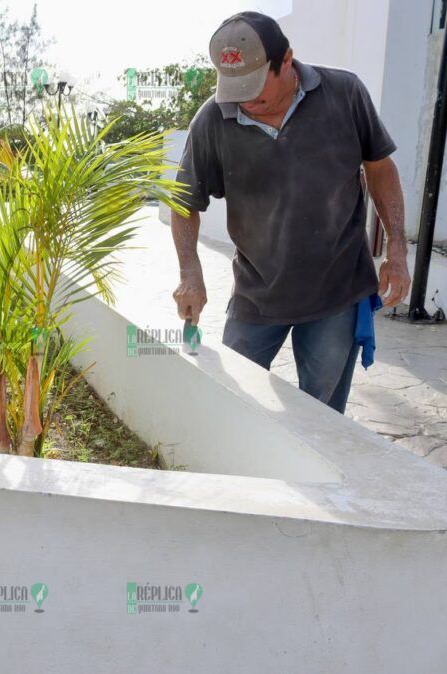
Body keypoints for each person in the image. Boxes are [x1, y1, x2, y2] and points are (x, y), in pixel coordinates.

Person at [171, 11, 411, 414]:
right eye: (235, 88)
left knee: (320, 415)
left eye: (255, 87)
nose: (245, 100)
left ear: (287, 61)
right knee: (232, 405)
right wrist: (190, 273)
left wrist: (398, 251)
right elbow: (184, 204)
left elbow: (380, 166)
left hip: (337, 290)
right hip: (257, 293)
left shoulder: (344, 93)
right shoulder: (213, 118)